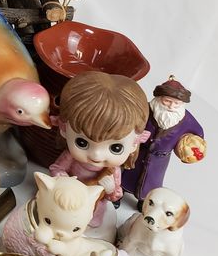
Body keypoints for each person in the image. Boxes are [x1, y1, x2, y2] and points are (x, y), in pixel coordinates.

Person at [49, 71, 150, 226]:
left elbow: (114, 196)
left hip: (93, 205)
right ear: (64, 129)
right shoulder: (70, 157)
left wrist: (110, 190)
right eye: (82, 143)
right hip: (66, 197)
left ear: (135, 143)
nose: (96, 155)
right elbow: (56, 168)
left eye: (115, 147)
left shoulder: (112, 170)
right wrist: (63, 179)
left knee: (91, 222)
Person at [122, 76, 206, 203]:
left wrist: (190, 147)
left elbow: (198, 135)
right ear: (159, 98)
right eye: (167, 101)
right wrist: (136, 135)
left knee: (151, 182)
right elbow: (128, 123)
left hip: (159, 160)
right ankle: (119, 192)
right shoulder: (145, 110)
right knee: (127, 174)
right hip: (138, 152)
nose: (171, 106)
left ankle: (145, 201)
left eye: (176, 103)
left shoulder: (186, 119)